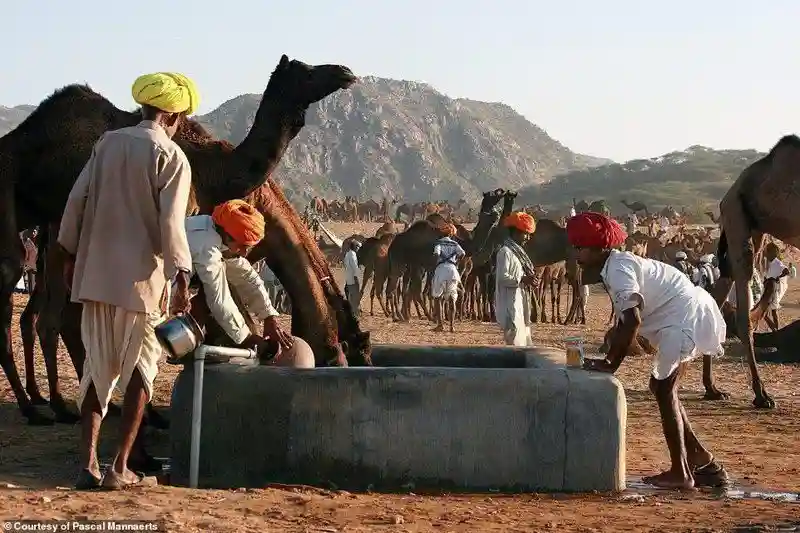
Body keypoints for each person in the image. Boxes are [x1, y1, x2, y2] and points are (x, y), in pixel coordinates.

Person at [58, 72, 200, 490]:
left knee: (95, 370)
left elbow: (75, 201)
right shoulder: (171, 156)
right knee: (142, 367)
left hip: (95, 277)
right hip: (142, 282)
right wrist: (180, 275)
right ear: (173, 114)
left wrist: (68, 253)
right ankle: (120, 467)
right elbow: (172, 222)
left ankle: (87, 464)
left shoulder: (106, 144)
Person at [569, 212, 727, 489]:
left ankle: (681, 473)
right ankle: (703, 461)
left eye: (581, 248)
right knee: (661, 387)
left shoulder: (618, 269)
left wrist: (609, 364)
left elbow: (632, 320)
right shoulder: (615, 266)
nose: (577, 255)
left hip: (682, 319)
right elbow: (627, 322)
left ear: (599, 249)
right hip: (684, 315)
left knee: (664, 390)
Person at [184, 199, 314, 367]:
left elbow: (247, 277)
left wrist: (269, 316)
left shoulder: (219, 235)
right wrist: (246, 337)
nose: (245, 253)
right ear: (228, 236)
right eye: (243, 246)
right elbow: (219, 300)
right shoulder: (206, 247)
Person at [495, 212, 538, 346]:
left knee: (523, 336)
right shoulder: (505, 252)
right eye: (525, 234)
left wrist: (530, 280)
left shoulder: (519, 253)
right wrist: (523, 279)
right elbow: (503, 278)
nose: (528, 238)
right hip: (510, 303)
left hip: (520, 298)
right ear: (515, 232)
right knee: (513, 339)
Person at [431, 224, 465, 332]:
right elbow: (463, 253)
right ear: (451, 234)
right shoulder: (455, 244)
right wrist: (456, 262)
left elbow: (436, 253)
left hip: (441, 269)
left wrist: (434, 262)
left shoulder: (439, 243)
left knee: (438, 298)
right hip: (453, 271)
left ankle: (440, 325)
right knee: (451, 299)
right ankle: (451, 326)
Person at [763, 242, 790, 331]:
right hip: (770, 290)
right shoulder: (771, 263)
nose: (765, 254)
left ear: (771, 253)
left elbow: (786, 271)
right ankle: (775, 330)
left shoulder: (776, 262)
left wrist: (777, 278)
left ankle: (775, 330)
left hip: (774, 291)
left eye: (766, 252)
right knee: (771, 312)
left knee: (768, 313)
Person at [343, 240, 362, 316]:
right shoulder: (353, 254)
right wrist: (358, 274)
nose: (358, 249)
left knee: (347, 290)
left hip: (348, 275)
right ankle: (355, 310)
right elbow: (354, 266)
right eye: (357, 247)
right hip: (353, 276)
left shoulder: (347, 254)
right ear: (355, 247)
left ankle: (350, 307)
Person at [22, 228, 38, 294]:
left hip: (30, 262)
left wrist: (24, 262)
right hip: (33, 261)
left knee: (22, 269)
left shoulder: (27, 243)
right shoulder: (28, 242)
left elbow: (26, 255)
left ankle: (27, 288)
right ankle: (28, 288)